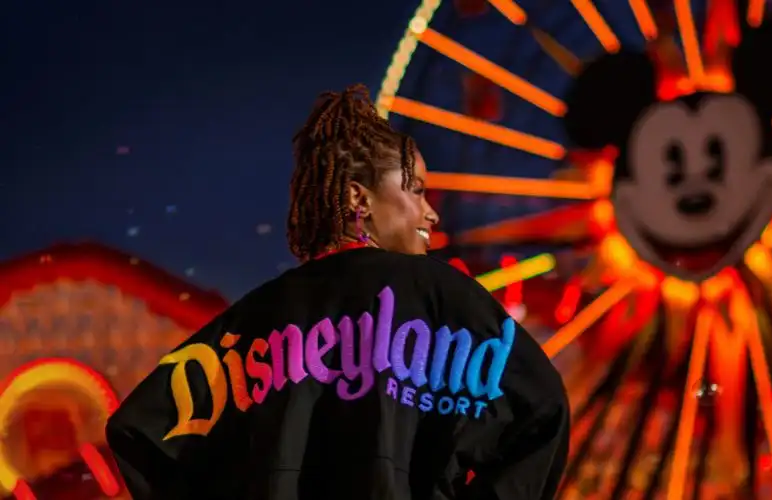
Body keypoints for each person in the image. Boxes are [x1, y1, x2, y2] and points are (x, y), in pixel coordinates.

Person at [105, 84, 570, 499]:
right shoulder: (443, 295)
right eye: (417, 191)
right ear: (357, 198)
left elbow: (142, 433)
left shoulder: (253, 319)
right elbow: (542, 410)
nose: (431, 214)